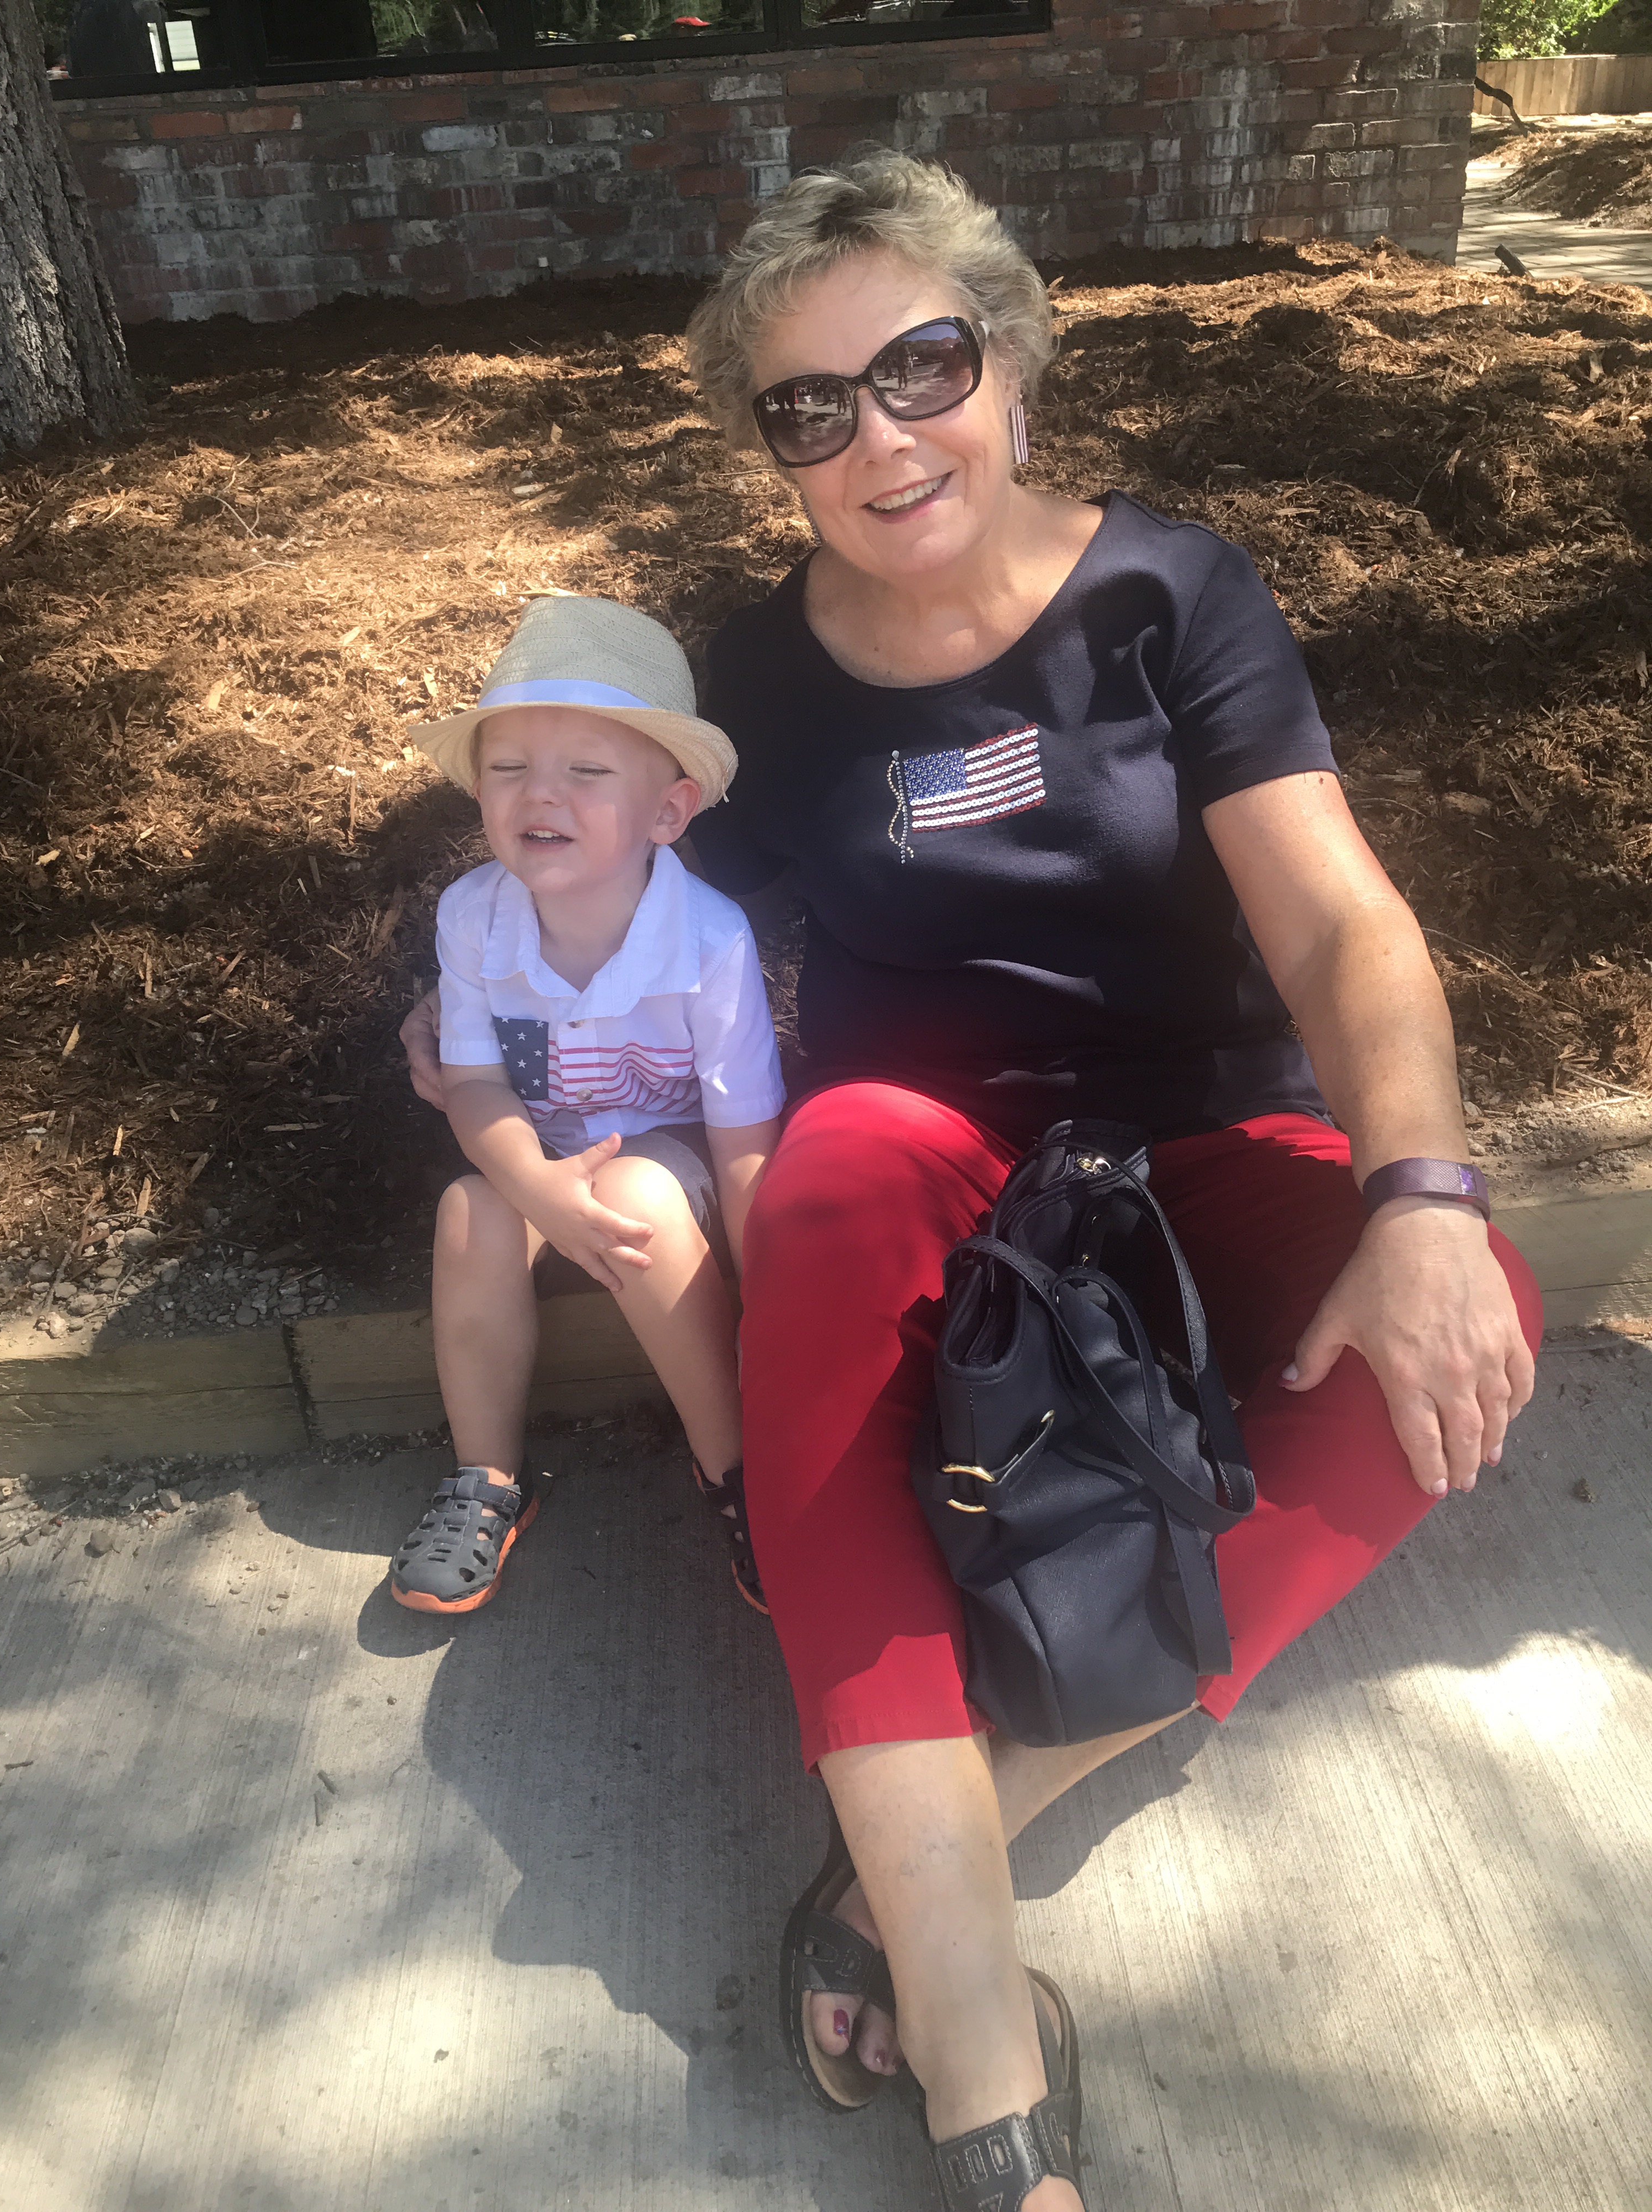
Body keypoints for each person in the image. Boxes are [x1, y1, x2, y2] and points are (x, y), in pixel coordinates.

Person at [401, 159, 1542, 2209]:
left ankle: (939, 1834)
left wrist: (1428, 1198)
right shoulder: (757, 685)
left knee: (1473, 1316)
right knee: (825, 1191)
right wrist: (492, 1031)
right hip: (917, 1137)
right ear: (771, 450)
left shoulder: (1171, 595)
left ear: (1011, 359)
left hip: (1204, 1125)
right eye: (809, 407)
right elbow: (629, 913)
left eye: (920, 364)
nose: (879, 435)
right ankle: (983, 2065)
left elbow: (1337, 924)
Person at [388, 595, 784, 1618]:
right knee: (470, 1213)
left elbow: (743, 1133)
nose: (540, 793)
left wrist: (770, 1296)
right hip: (536, 1153)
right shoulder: (473, 916)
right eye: (510, 766)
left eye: (588, 771)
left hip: (666, 1164)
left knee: (637, 1199)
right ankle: (485, 1479)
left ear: (668, 812)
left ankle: (738, 1471)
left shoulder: (708, 942)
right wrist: (539, 1192)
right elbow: (476, 1083)